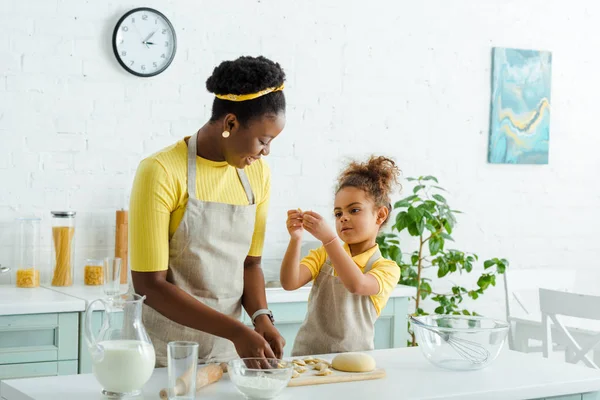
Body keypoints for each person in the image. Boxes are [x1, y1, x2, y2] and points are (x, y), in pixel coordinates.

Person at [129, 56, 287, 367]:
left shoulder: (258, 174)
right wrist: (238, 331)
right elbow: (149, 285)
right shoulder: (160, 171)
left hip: (229, 352)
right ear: (230, 123)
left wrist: (260, 318)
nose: (266, 152)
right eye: (263, 141)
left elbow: (250, 264)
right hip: (161, 353)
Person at [280, 156, 402, 356]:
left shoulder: (386, 268)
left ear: (380, 215)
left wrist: (329, 239)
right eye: (338, 213)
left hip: (354, 360)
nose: (343, 218)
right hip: (308, 357)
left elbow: (357, 285)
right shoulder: (323, 254)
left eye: (354, 210)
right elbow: (289, 282)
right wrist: (296, 239)